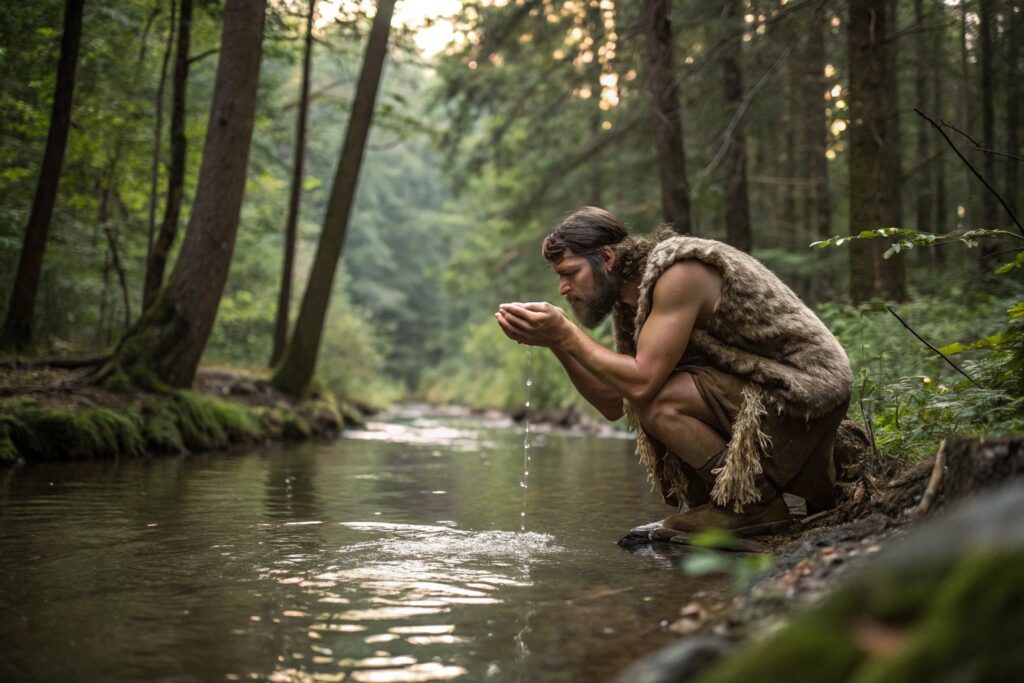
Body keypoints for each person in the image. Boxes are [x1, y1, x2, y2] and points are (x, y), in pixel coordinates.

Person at [495, 207, 853, 536]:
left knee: (659, 401)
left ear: (606, 258)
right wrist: (557, 343)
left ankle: (751, 505)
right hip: (771, 390)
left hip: (806, 391)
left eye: (571, 273)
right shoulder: (631, 300)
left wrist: (567, 332)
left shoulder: (678, 272)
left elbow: (643, 382)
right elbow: (614, 402)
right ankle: (729, 504)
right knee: (648, 400)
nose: (563, 289)